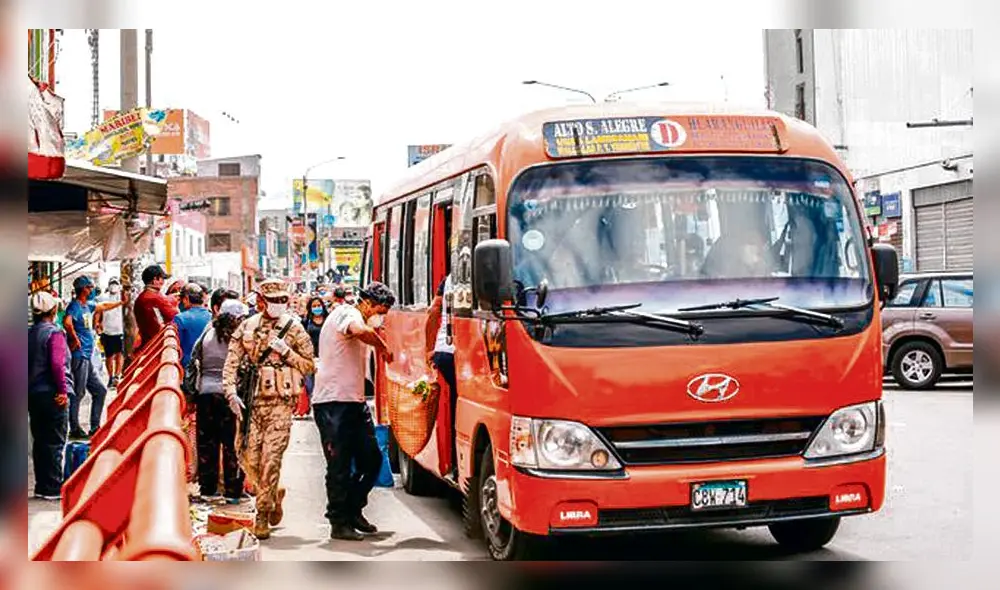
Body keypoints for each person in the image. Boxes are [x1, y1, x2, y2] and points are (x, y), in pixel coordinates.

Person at [222, 278, 316, 539]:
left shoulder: (294, 329)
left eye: (282, 301)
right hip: (251, 401)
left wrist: (287, 353)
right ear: (261, 301)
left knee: (270, 459)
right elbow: (231, 362)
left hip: (280, 404)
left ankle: (262, 513)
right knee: (248, 457)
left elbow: (310, 366)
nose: (279, 305)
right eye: (273, 301)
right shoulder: (246, 327)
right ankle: (274, 492)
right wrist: (230, 391)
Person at [312, 281, 395, 541]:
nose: (381, 317)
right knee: (339, 465)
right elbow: (358, 330)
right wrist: (382, 345)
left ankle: (353, 509)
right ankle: (338, 522)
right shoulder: (348, 314)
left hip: (354, 402)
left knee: (372, 460)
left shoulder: (358, 316)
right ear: (368, 303)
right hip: (333, 403)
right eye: (380, 310)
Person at [191, 299, 248, 503]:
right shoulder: (239, 336)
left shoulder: (208, 331)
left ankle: (208, 489)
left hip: (206, 394)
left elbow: (194, 359)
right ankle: (233, 491)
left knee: (208, 443)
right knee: (233, 444)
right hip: (230, 395)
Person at [63, 276, 125, 439]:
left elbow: (102, 306)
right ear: (83, 289)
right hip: (80, 355)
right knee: (78, 392)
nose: (92, 290)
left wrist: (120, 303)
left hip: (87, 356)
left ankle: (95, 427)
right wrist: (74, 338)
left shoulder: (87, 306)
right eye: (89, 287)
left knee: (100, 390)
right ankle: (75, 428)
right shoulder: (75, 306)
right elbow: (67, 322)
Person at [28, 291, 73, 500]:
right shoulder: (54, 333)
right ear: (54, 310)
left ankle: (41, 485)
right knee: (55, 441)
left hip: (33, 394)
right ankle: (53, 488)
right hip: (53, 394)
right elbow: (57, 364)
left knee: (40, 440)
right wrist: (63, 390)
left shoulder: (28, 333)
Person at [425, 274, 458, 477]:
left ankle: (454, 460)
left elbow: (433, 311)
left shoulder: (449, 279)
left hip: (443, 351)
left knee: (457, 402)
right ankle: (456, 462)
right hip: (456, 351)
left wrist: (429, 349)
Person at [133, 265, 179, 353]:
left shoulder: (143, 296)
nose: (163, 282)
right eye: (162, 279)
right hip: (155, 345)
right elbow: (174, 316)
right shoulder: (154, 297)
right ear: (155, 280)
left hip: (147, 344)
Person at [95, 277, 125, 388]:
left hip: (120, 331)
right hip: (107, 331)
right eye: (112, 283)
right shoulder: (103, 298)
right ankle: (110, 377)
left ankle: (117, 376)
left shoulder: (122, 298)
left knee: (120, 354)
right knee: (109, 356)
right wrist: (97, 324)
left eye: (115, 283)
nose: (114, 286)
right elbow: (98, 312)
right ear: (108, 285)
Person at [174, 284, 213, 367]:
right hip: (208, 366)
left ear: (186, 299)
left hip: (187, 366)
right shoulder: (212, 317)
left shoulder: (180, 319)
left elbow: (176, 346)